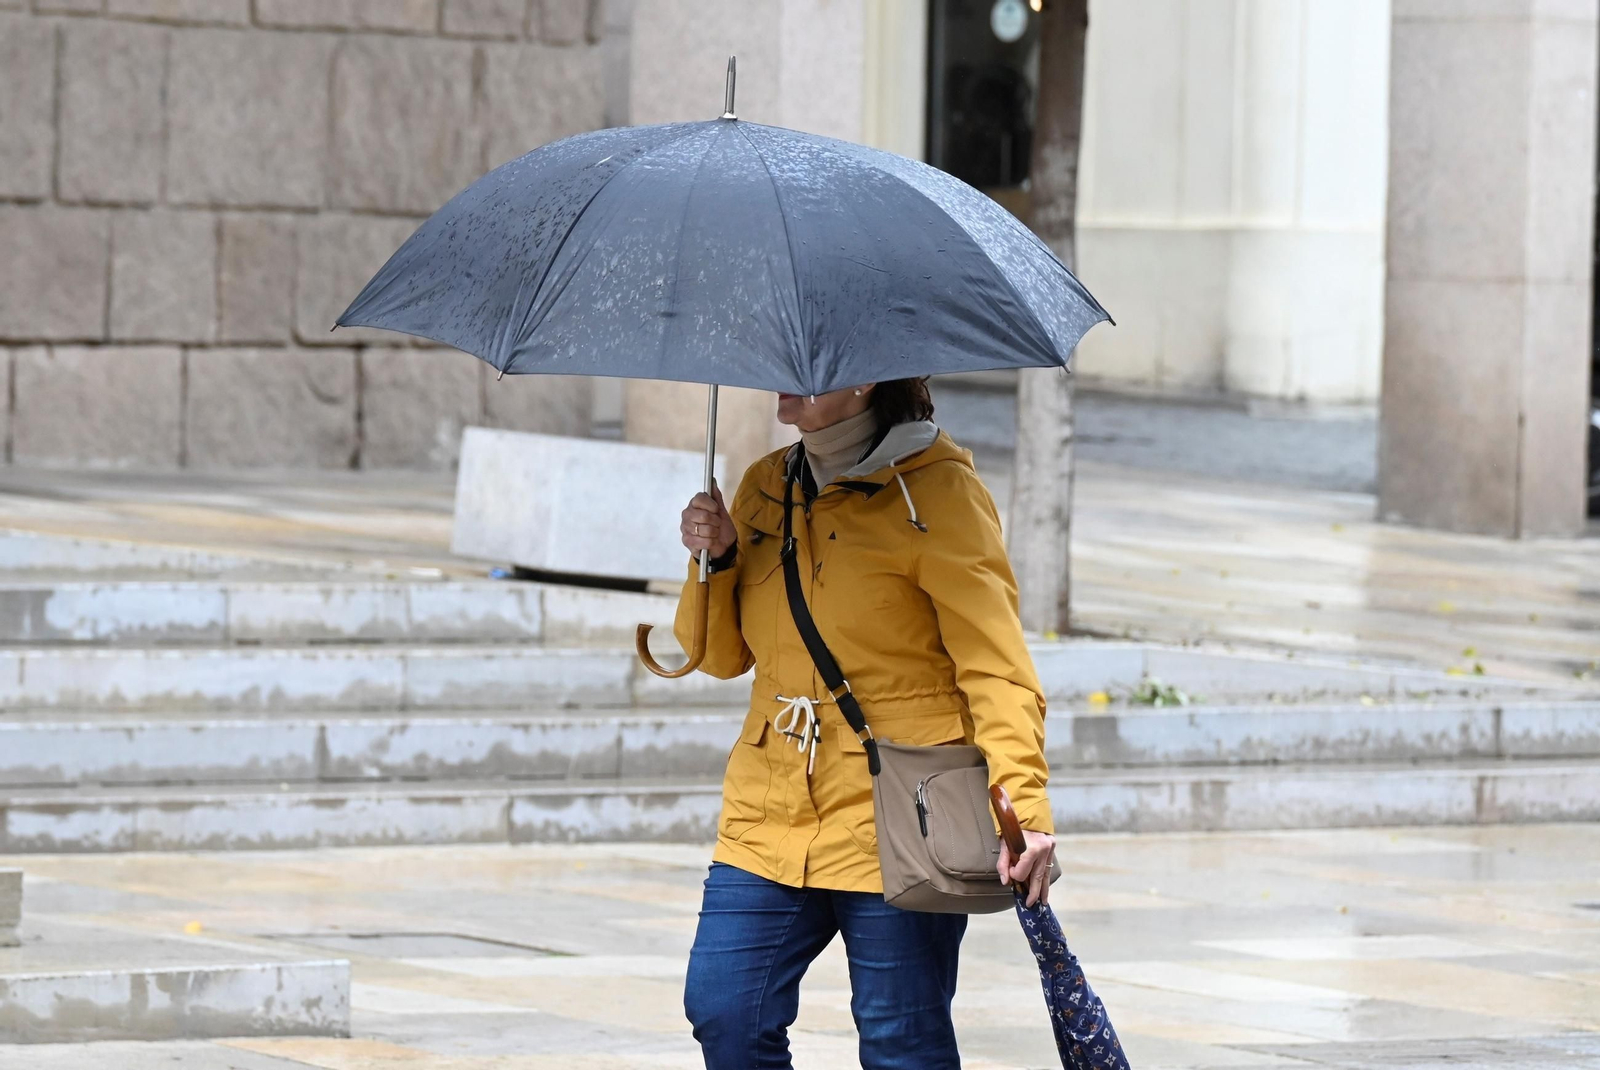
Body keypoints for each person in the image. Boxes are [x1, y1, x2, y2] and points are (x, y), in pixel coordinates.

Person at [675, 378, 1056, 1070]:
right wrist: (719, 559)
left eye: (807, 366)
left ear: (865, 377)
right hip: (771, 809)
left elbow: (996, 668)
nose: (780, 380)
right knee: (724, 1010)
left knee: (900, 1045)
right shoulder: (765, 486)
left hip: (901, 815)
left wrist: (1023, 806)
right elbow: (719, 655)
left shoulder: (939, 494)